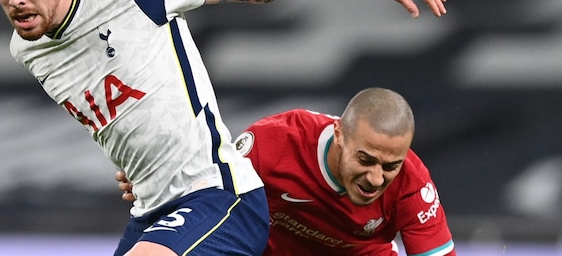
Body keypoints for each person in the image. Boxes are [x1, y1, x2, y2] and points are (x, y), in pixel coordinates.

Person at [0, 0, 447, 255]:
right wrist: (137, 163)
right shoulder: (27, 50)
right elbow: (125, 111)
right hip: (151, 210)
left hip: (218, 195)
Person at [118, 88, 456, 255]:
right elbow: (209, 189)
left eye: (390, 166)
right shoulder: (275, 143)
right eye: (365, 160)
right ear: (339, 135)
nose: (376, 179)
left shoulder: (413, 183)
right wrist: (159, 181)